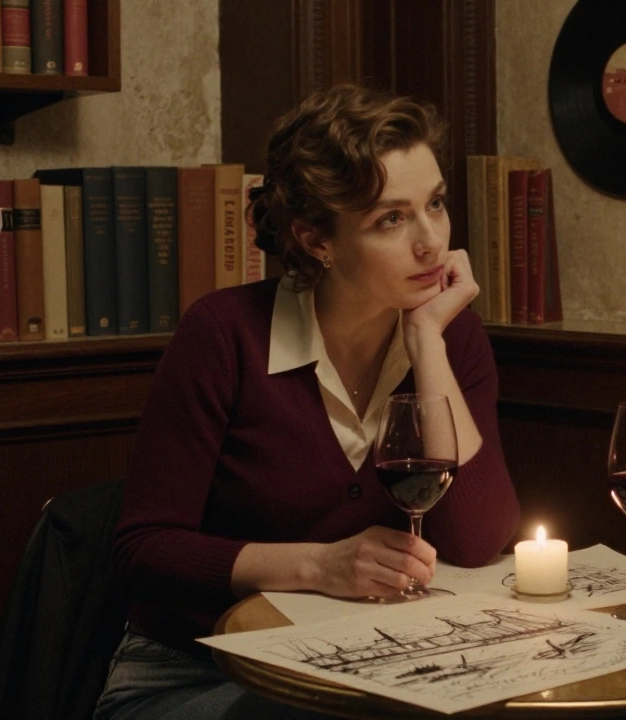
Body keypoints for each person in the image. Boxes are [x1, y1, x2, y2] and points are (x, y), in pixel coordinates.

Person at [95, 84, 520, 719]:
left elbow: (479, 539)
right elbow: (144, 550)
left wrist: (428, 343)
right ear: (317, 239)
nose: (432, 242)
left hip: (364, 670)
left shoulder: (450, 335)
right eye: (391, 219)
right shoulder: (223, 335)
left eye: (435, 204)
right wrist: (320, 566)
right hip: (190, 674)